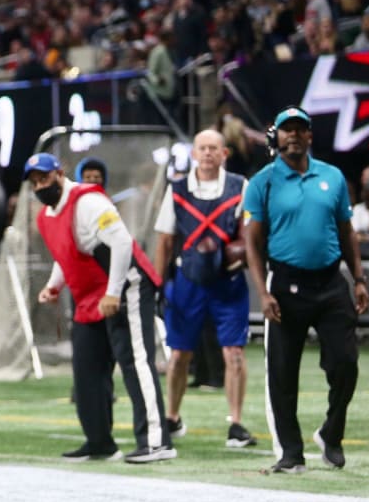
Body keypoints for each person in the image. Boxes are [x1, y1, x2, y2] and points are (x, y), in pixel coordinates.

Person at [242, 106, 369, 473]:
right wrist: (262, 294)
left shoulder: (331, 176)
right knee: (282, 373)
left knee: (346, 363)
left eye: (300, 130)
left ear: (310, 136)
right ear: (277, 137)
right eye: (287, 130)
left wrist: (358, 279)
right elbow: (252, 242)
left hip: (332, 283)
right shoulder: (263, 182)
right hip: (285, 285)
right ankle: (291, 453)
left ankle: (331, 433)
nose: (293, 136)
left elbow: (347, 232)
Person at [26, 153, 174, 463]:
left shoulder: (89, 202)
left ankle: (156, 441)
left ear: (59, 173)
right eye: (35, 181)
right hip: (91, 293)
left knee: (135, 360)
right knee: (86, 369)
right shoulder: (47, 216)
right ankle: (99, 442)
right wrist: (54, 285)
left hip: (126, 284)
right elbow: (64, 254)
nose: (41, 185)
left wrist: (113, 292)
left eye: (45, 177)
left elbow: (121, 243)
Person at [152, 129, 257, 449]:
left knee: (234, 353)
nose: (209, 153)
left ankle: (236, 423)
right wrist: (158, 284)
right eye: (203, 148)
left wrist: (251, 269)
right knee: (179, 355)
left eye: (215, 148)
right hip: (188, 280)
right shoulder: (178, 189)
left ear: (224, 154)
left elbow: (251, 235)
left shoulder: (241, 187)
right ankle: (172, 416)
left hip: (229, 281)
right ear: (194, 153)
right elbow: (165, 240)